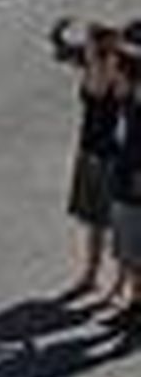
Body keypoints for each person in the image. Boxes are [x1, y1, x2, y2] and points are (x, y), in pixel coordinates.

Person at [50, 19, 128, 292]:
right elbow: (64, 54)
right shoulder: (97, 67)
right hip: (91, 153)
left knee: (120, 226)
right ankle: (91, 276)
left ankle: (120, 282)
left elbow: (101, 89)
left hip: (113, 159)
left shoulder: (117, 75)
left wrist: (106, 52)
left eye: (93, 45)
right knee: (95, 222)